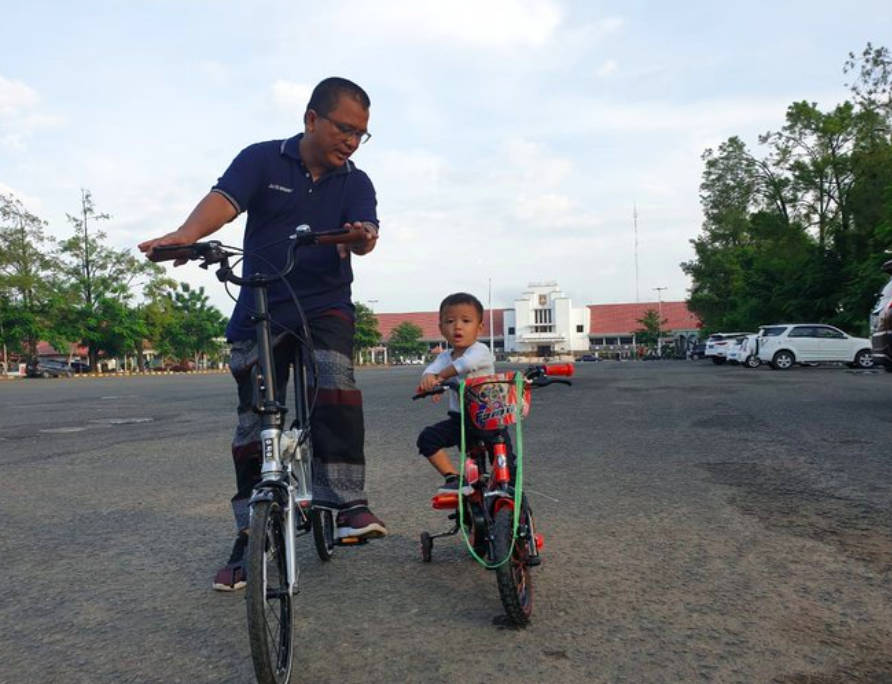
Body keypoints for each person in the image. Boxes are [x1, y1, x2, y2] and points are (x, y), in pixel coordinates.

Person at [138, 77, 387, 592]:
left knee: (334, 383)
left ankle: (345, 503)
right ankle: (250, 533)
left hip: (325, 305)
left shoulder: (355, 183)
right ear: (311, 119)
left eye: (362, 134)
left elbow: (365, 237)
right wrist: (187, 236)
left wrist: (362, 238)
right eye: (345, 128)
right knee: (255, 424)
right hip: (261, 303)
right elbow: (223, 201)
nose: (352, 141)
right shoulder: (261, 160)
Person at [415, 292, 499, 495]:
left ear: (479, 328)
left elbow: (465, 365)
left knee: (502, 456)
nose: (458, 326)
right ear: (441, 329)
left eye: (466, 321)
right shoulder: (445, 356)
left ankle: (508, 491)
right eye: (450, 321)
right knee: (427, 439)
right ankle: (454, 477)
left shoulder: (480, 350)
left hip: (488, 417)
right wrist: (428, 379)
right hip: (460, 419)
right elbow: (431, 369)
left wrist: (440, 377)